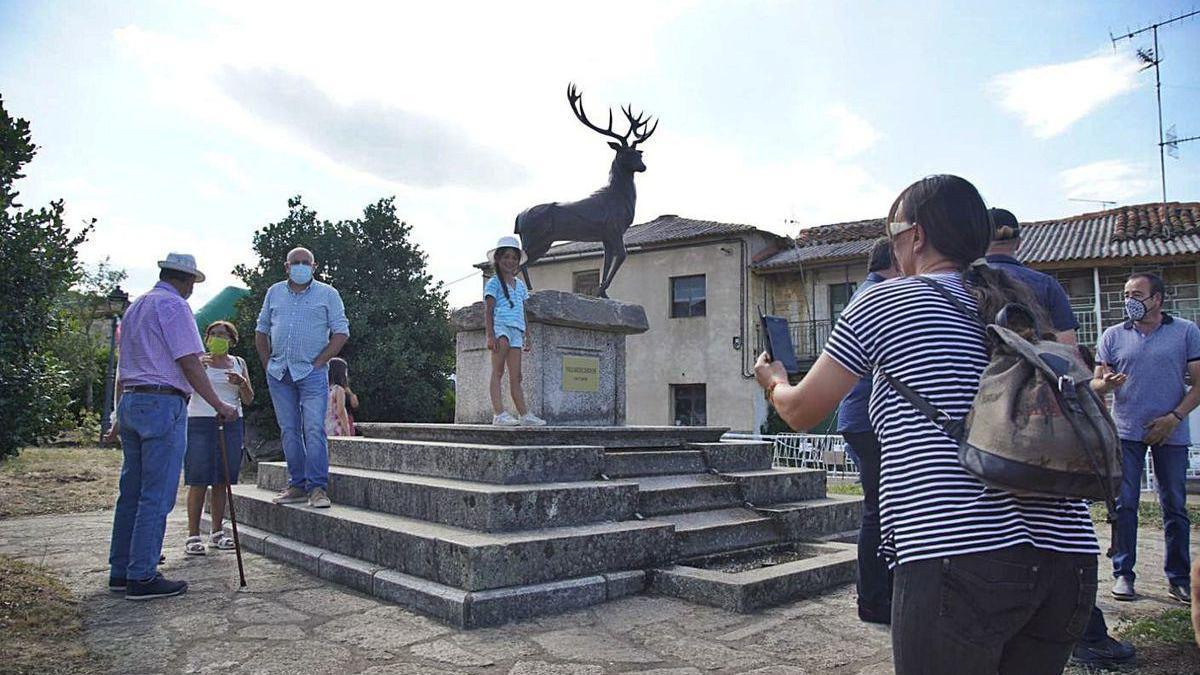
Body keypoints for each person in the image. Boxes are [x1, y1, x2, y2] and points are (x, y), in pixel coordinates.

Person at [756, 175, 1098, 674]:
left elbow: (801, 411)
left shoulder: (882, 301)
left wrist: (774, 380)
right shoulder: (1024, 310)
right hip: (1069, 559)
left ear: (915, 235)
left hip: (956, 555)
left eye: (891, 228)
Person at [988, 207, 1136, 667]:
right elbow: (1069, 357)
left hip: (985, 424)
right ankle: (1084, 635)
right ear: (1018, 240)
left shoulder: (963, 284)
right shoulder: (1045, 285)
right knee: (1059, 524)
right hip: (1043, 421)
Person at [106, 253, 238, 600]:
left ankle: (120, 569)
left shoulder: (135, 307)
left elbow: (125, 365)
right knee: (157, 493)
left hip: (133, 399)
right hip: (163, 401)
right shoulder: (174, 306)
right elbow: (190, 362)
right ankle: (142, 574)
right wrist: (219, 404)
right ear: (187, 280)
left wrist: (118, 413)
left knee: (131, 490)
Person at [1094, 271, 1200, 605]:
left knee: (1175, 507)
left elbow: (1198, 384)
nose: (1129, 301)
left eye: (1137, 294)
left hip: (1172, 431)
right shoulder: (1112, 335)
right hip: (1126, 433)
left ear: (1157, 299)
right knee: (1125, 505)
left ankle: (1178, 579)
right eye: (1126, 294)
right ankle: (1124, 574)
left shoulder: (1185, 332)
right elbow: (1096, 383)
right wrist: (1106, 384)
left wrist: (1174, 418)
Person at [256, 246, 350, 509]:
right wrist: (267, 364)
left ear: (314, 266)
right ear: (286, 267)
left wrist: (320, 362)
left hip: (311, 373)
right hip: (279, 372)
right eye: (295, 262)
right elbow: (261, 330)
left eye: (304, 262)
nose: (299, 266)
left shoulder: (328, 294)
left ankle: (317, 488)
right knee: (288, 430)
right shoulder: (274, 292)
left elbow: (341, 332)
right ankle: (297, 484)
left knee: (313, 429)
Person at [834, 237, 897, 625]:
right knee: (878, 509)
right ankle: (873, 599)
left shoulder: (869, 291)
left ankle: (879, 594)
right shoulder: (876, 297)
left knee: (882, 508)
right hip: (866, 419)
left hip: (861, 418)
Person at [182, 321, 253, 556]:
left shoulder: (239, 363)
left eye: (223, 334)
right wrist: (198, 370)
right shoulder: (197, 361)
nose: (217, 338)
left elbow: (250, 398)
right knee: (198, 478)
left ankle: (217, 531)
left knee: (222, 479)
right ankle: (193, 534)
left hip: (231, 421)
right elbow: (183, 389)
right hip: (200, 420)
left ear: (232, 340)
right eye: (213, 334)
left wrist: (241, 383)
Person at [484, 236, 545, 426]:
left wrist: (527, 334)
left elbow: (522, 309)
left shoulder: (520, 286)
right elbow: (489, 309)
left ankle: (524, 414)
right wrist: (490, 335)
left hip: (517, 330)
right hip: (501, 327)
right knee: (498, 371)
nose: (510, 261)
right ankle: (499, 413)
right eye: (506, 257)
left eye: (514, 258)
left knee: (516, 375)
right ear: (498, 259)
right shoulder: (493, 283)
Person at [325, 357, 354, 437]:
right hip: (335, 428)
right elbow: (340, 411)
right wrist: (347, 432)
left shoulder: (322, 389)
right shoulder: (338, 389)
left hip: (323, 427)